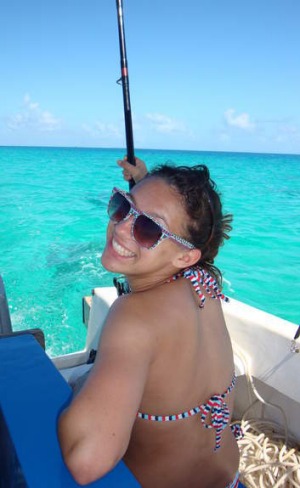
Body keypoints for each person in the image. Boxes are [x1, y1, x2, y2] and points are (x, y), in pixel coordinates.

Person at [58, 157, 244, 488]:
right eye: (122, 206)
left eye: (148, 229)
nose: (122, 226)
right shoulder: (203, 282)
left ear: (185, 257)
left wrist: (83, 383)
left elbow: (86, 461)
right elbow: (175, 222)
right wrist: (143, 180)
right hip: (227, 477)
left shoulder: (134, 316)